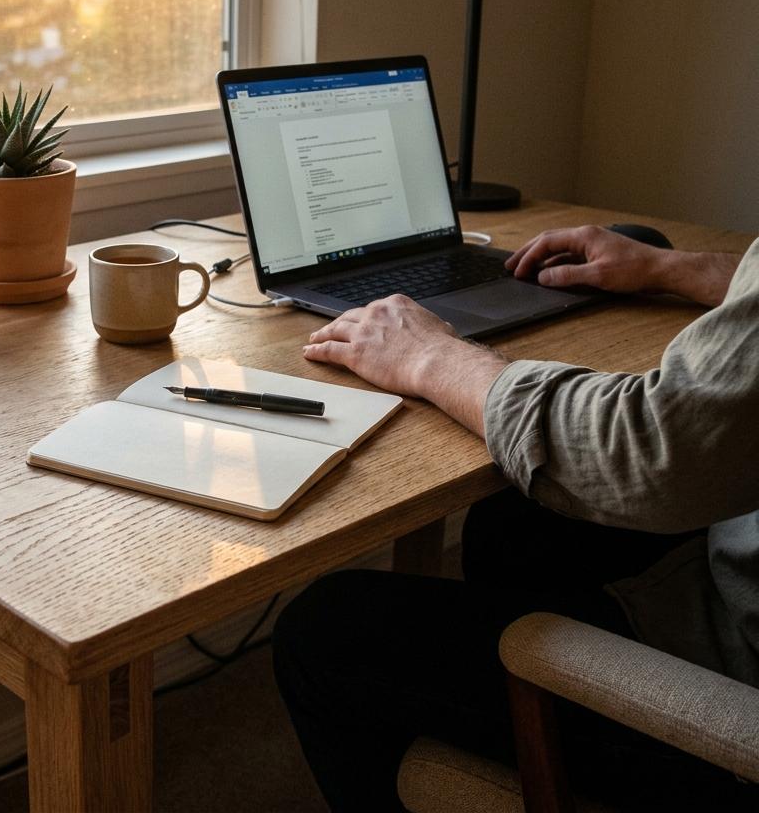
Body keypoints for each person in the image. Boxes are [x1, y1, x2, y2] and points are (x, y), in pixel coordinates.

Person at [271, 224, 759, 811]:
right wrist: (666, 267)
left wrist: (432, 357)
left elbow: (653, 449)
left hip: (738, 688)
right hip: (733, 561)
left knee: (325, 631)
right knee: (511, 526)